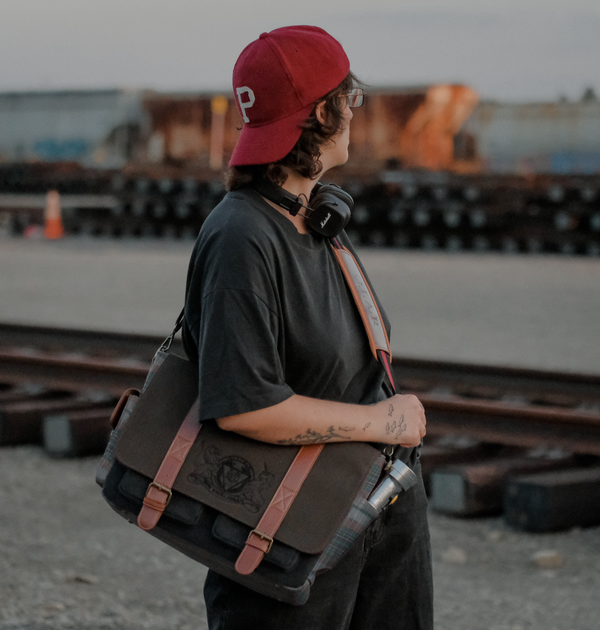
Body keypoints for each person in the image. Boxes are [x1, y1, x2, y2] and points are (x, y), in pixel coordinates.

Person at [181, 25, 434, 630]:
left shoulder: (313, 220)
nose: (355, 112)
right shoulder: (243, 235)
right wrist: (383, 421)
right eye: (351, 99)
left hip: (374, 510)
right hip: (288, 535)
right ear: (324, 111)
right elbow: (244, 407)